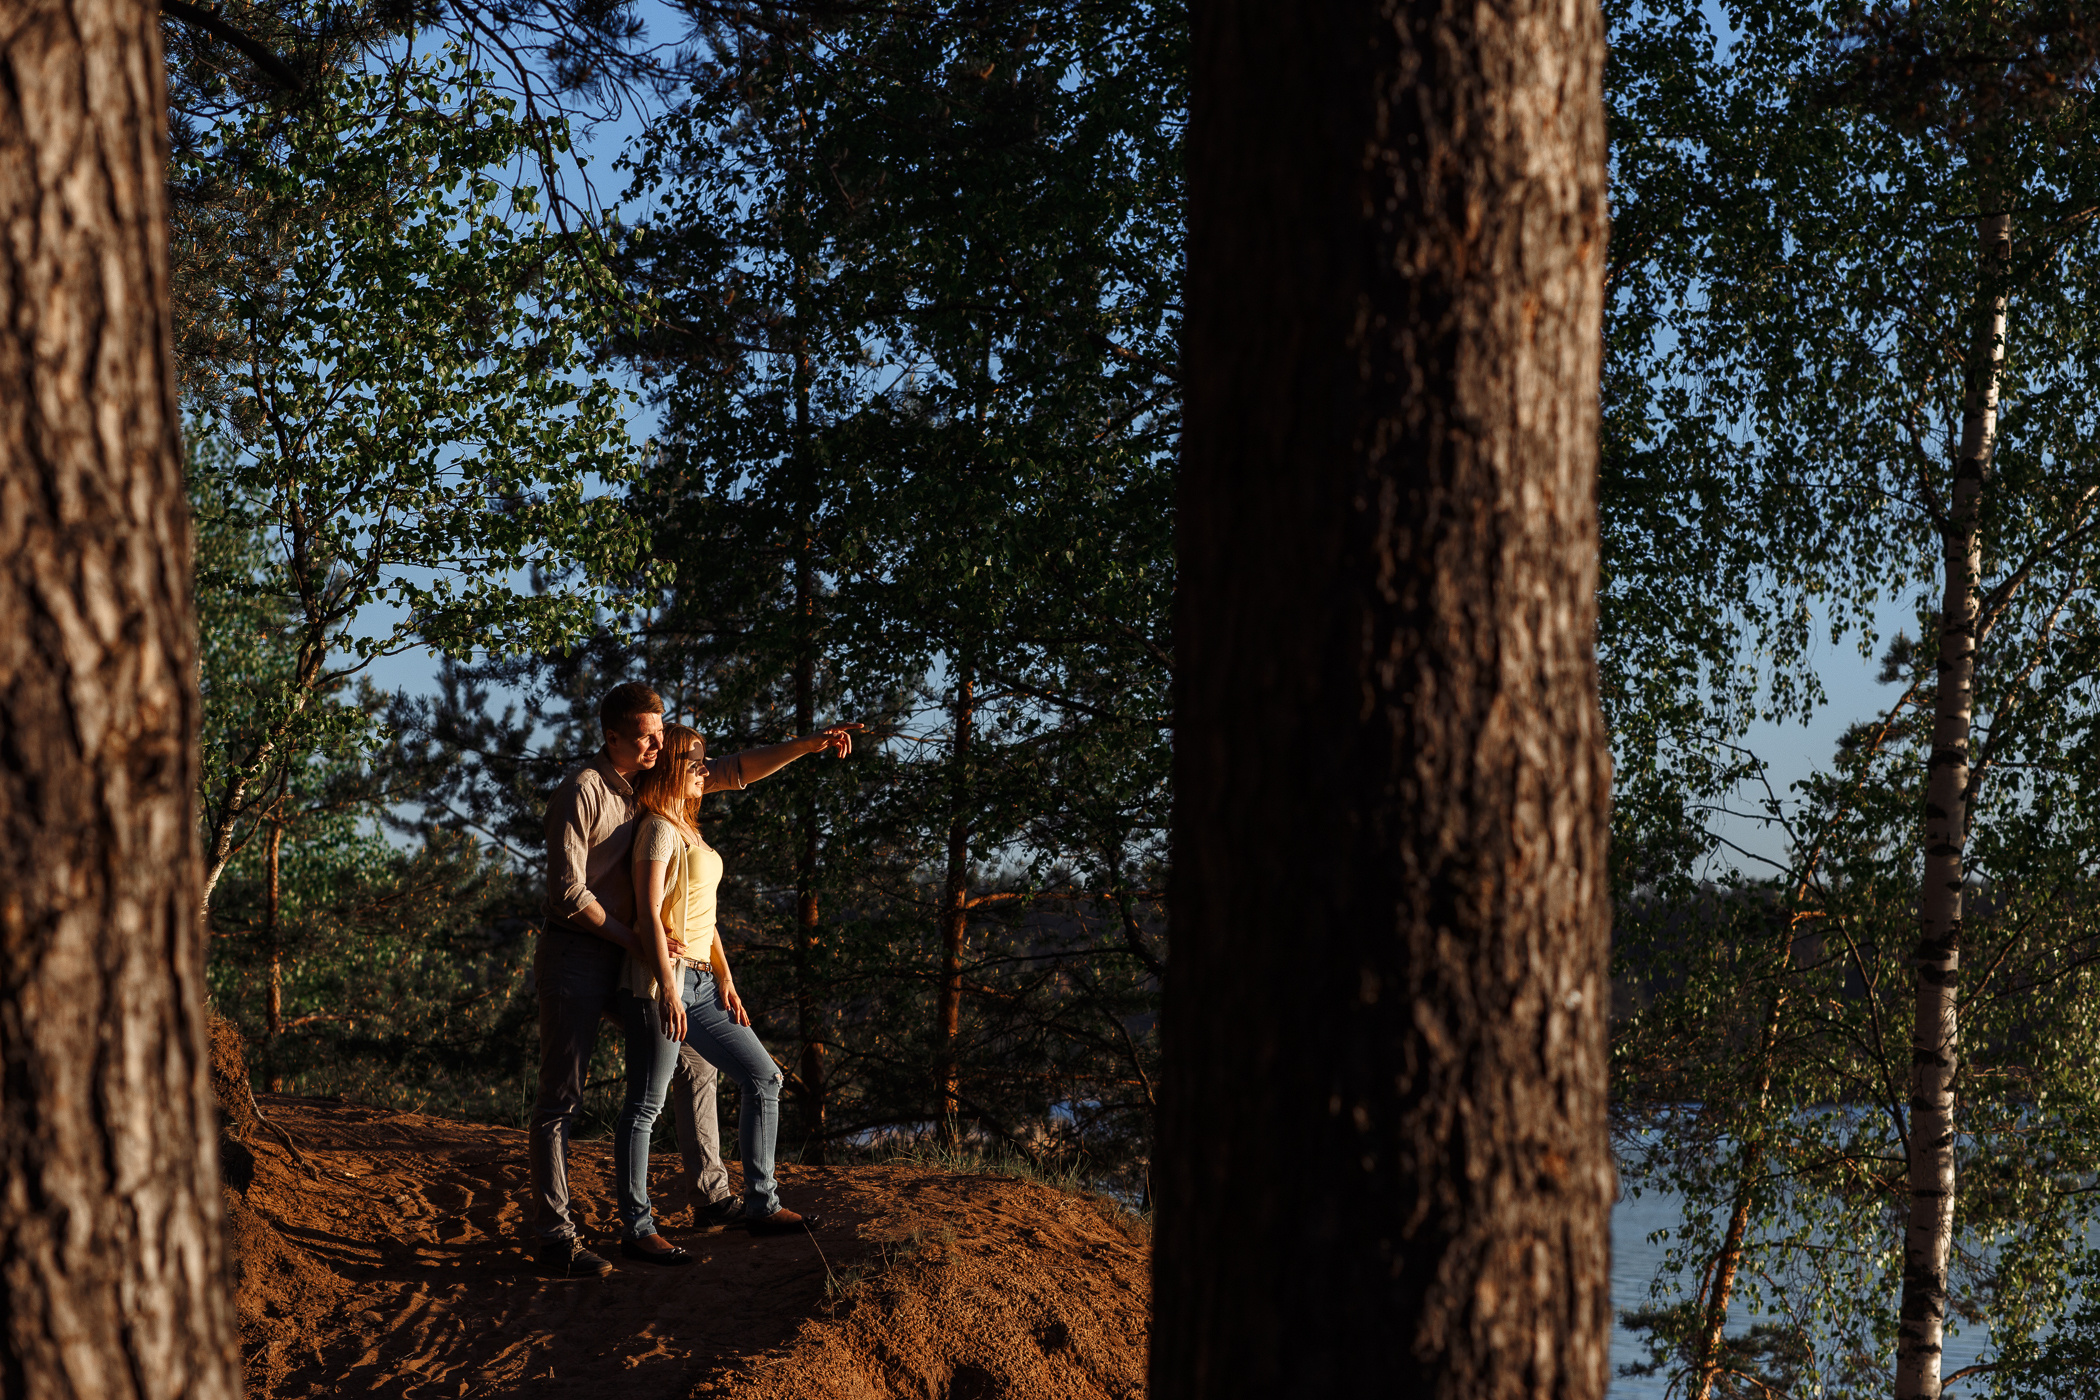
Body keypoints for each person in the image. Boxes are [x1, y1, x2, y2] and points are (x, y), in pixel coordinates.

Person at [530, 682, 859, 1277]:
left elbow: (732, 769)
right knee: (563, 1094)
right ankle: (556, 1236)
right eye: (646, 736)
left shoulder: (650, 787)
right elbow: (567, 894)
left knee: (697, 1065)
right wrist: (644, 943)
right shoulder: (585, 789)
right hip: (579, 952)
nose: (658, 744)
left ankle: (710, 1197)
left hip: (638, 954)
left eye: (661, 734)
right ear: (612, 736)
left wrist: (808, 744)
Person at [611, 722, 850, 1263]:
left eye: (705, 763)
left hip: (701, 982)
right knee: (645, 1105)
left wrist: (725, 976)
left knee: (764, 1077)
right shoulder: (658, 829)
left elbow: (703, 917)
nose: (704, 771)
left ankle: (761, 1205)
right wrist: (668, 988)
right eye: (694, 763)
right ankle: (637, 1227)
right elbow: (648, 913)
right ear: (672, 769)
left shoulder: (688, 828)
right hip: (660, 983)